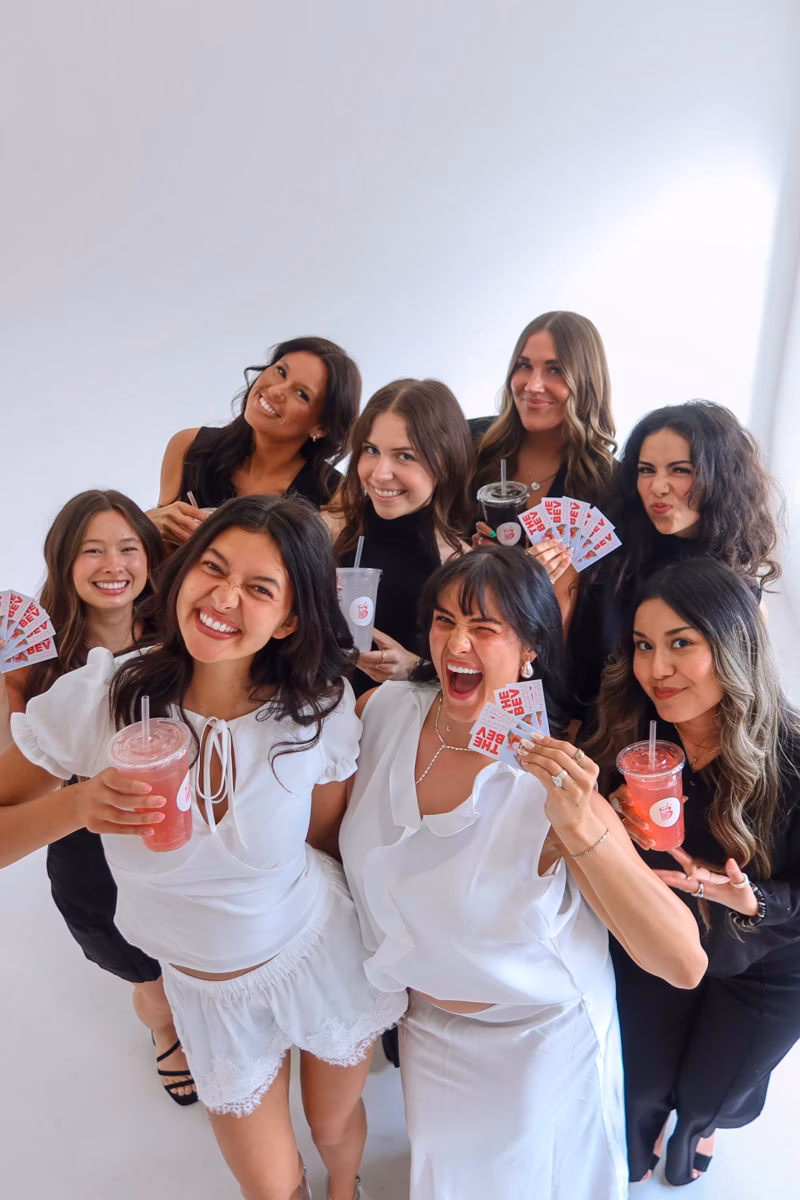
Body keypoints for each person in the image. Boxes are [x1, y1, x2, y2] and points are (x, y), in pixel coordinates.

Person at [1, 495, 405, 1200]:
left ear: (291, 618)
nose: (222, 598)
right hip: (208, 995)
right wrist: (75, 804)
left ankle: (347, 1189)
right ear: (182, 569)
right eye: (212, 568)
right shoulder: (106, 694)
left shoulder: (317, 707)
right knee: (271, 1187)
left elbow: (324, 841)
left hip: (316, 951)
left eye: (259, 588)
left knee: (334, 1129)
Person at [340, 549, 706, 1199]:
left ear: (530, 648)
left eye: (484, 628)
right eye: (445, 620)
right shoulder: (384, 713)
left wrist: (582, 827)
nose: (457, 643)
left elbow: (683, 964)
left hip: (538, 1046)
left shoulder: (548, 784)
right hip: (426, 1029)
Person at [585, 558, 800, 1186]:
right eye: (644, 645)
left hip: (765, 960)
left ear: (734, 645)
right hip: (661, 945)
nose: (656, 669)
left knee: (714, 1094)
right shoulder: (631, 735)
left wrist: (751, 899)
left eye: (681, 644)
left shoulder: (790, 758)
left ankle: (699, 1125)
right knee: (640, 1085)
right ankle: (648, 1127)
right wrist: (607, 821)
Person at [0, 490, 195, 1102]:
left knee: (199, 962)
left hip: (184, 835)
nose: (113, 565)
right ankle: (166, 1031)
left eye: (128, 548)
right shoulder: (34, 663)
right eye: (92, 551)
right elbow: (12, 781)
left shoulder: (182, 630)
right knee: (156, 987)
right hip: (95, 858)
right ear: (63, 561)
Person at [569, 400, 782, 725]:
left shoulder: (738, 591)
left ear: (720, 477)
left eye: (679, 470)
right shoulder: (606, 556)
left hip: (674, 743)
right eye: (646, 470)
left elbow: (746, 707)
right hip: (590, 731)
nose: (657, 487)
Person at [323, 378, 473, 694]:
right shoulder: (327, 531)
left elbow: (476, 677)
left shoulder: (459, 562)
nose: (380, 474)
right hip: (318, 714)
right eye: (371, 450)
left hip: (406, 719)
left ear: (445, 463)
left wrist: (413, 668)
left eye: (405, 456)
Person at [471, 311, 617, 628]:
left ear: (586, 382)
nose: (533, 385)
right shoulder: (473, 447)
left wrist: (534, 585)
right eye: (524, 366)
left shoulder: (609, 485)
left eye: (555, 370)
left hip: (556, 649)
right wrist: (470, 561)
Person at [148, 336, 362, 546]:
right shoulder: (187, 446)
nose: (276, 391)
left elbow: (317, 566)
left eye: (301, 394)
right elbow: (160, 555)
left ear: (322, 427)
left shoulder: (337, 495)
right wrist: (150, 524)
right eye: (281, 372)